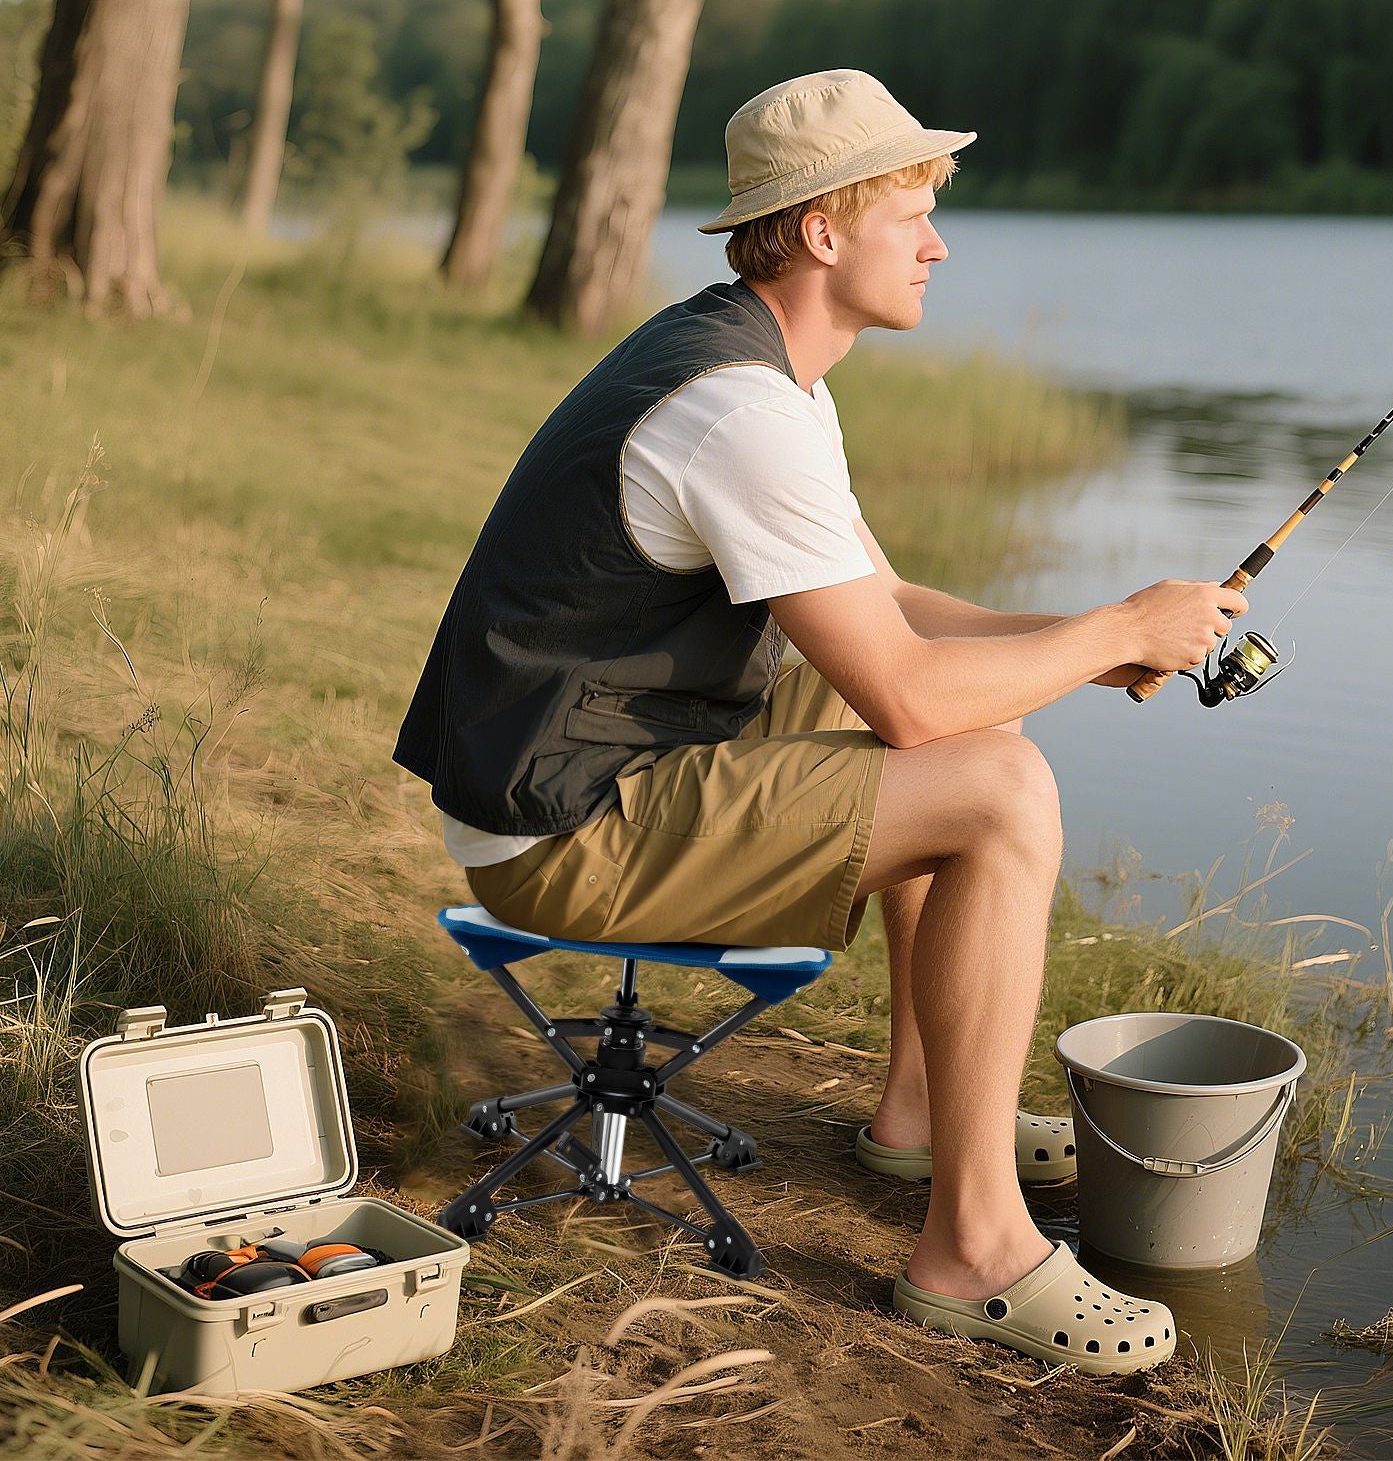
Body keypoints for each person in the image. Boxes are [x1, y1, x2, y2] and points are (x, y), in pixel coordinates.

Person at [394, 69, 1245, 1376]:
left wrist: (1091, 644)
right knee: (997, 789)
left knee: (983, 733)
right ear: (823, 232)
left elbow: (886, 613)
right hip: (559, 829)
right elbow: (907, 692)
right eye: (915, 214)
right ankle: (973, 1251)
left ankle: (920, 1115)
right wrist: (1117, 627)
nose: (940, 245)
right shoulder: (738, 410)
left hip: (594, 759)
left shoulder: (763, 366)